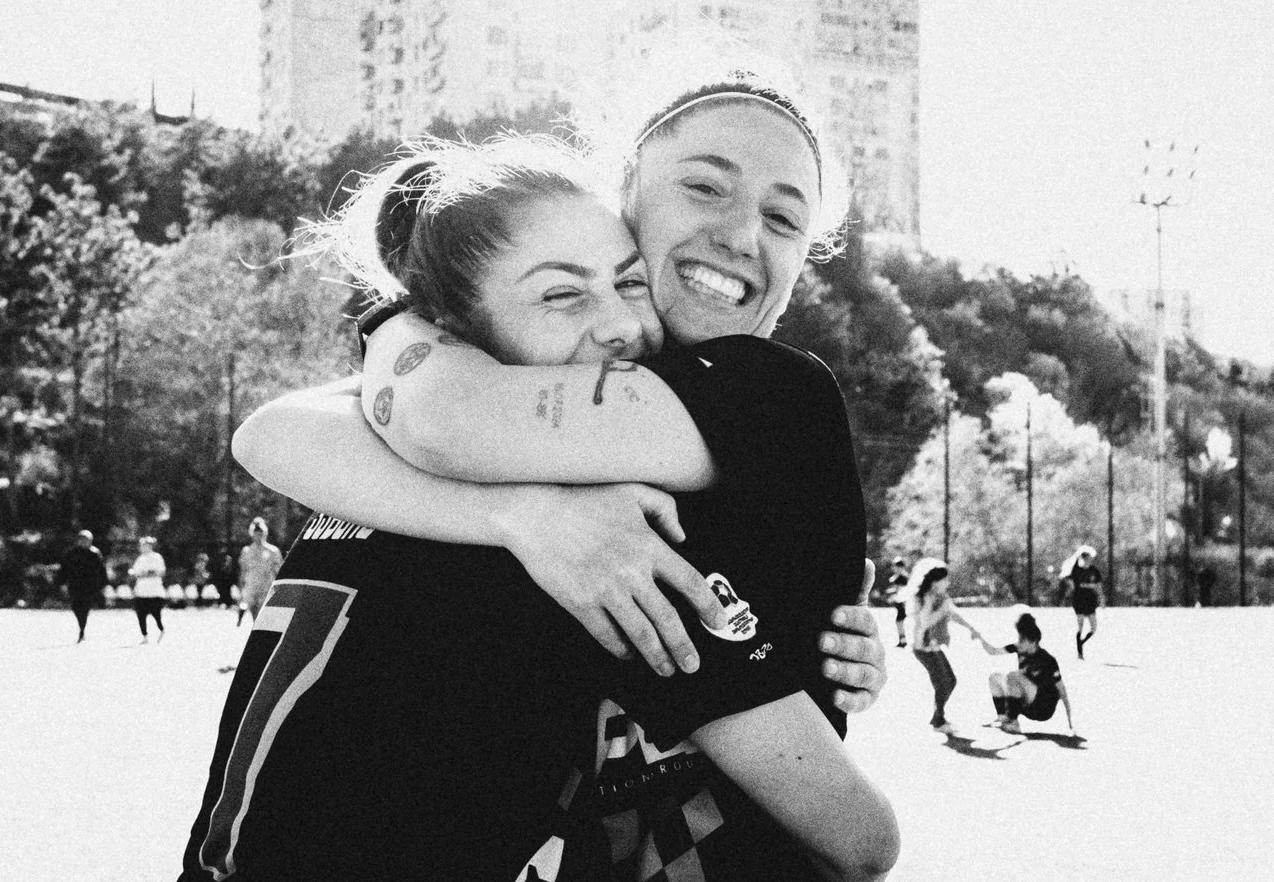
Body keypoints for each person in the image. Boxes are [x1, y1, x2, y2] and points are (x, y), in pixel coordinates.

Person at [187, 132, 894, 881]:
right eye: (562, 294)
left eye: (628, 284)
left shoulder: (375, 448)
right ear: (458, 331)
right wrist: (527, 519)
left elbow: (268, 431)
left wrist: (398, 328)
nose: (621, 324)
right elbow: (860, 841)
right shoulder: (608, 529)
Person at [905, 558, 996, 733]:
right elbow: (925, 623)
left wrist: (972, 629)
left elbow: (952, 614)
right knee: (944, 683)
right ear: (934, 582)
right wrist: (942, 609)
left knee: (949, 681)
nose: (948, 583)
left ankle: (938, 718)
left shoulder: (941, 597)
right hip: (923, 648)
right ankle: (938, 721)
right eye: (945, 579)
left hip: (932, 646)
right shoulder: (925, 597)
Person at [989, 610, 1072, 736]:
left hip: (1042, 707)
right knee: (994, 678)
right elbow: (993, 651)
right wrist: (977, 635)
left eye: (1022, 640)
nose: (1019, 642)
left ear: (1033, 641)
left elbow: (1061, 689)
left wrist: (1070, 722)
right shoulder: (1019, 649)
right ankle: (1004, 718)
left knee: (1013, 676)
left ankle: (1013, 722)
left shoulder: (1047, 659)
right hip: (1027, 704)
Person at [60, 530, 108, 644]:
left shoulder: (95, 553)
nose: (83, 542)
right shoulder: (71, 553)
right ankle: (81, 624)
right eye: (81, 539)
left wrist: (103, 585)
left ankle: (82, 629)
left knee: (85, 606)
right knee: (76, 607)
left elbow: (102, 570)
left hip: (89, 585)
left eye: (86, 540)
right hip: (74, 584)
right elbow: (64, 569)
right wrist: (62, 583)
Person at [234, 517, 282, 628]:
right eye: (256, 533)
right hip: (251, 585)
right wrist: (241, 585)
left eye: (260, 533)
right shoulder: (247, 551)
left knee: (262, 612)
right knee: (250, 608)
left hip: (266, 586)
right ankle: (247, 624)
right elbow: (243, 569)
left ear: (265, 534)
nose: (258, 536)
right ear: (252, 534)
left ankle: (259, 629)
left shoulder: (273, 551)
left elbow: (278, 570)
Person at [1059, 544, 1103, 659]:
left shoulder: (1094, 571)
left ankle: (1081, 643)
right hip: (1079, 599)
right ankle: (1080, 652)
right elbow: (1065, 577)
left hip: (1091, 601)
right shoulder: (1076, 570)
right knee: (1080, 626)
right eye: (1086, 558)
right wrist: (1071, 585)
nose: (1088, 560)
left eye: (1089, 558)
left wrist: (1102, 599)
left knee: (1093, 628)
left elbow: (1099, 586)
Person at [130, 537, 170, 643]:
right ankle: (144, 636)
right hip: (142, 592)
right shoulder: (140, 559)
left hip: (154, 592)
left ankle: (161, 630)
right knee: (141, 614)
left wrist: (148, 573)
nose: (143, 547)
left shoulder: (157, 557)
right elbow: (136, 572)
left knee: (156, 614)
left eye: (145, 545)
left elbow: (161, 571)